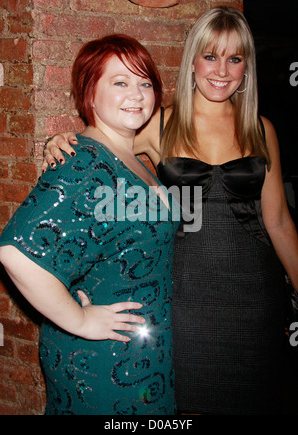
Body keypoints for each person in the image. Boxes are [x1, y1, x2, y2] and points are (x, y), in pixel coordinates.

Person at [41, 7, 298, 415]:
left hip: (256, 296)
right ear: (193, 60)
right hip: (186, 297)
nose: (221, 70)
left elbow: (280, 223)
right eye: (210, 56)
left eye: (235, 58)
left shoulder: (261, 129)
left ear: (246, 67)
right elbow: (101, 138)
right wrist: (58, 140)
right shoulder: (160, 125)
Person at [0, 34, 180, 415]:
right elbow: (16, 252)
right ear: (89, 93)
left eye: (145, 82)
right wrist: (79, 319)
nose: (137, 93)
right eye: (120, 82)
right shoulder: (83, 163)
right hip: (106, 365)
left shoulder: (130, 157)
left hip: (141, 355)